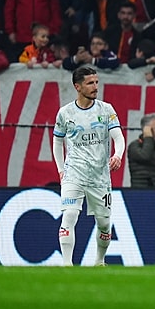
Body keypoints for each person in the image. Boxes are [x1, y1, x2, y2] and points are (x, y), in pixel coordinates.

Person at [52, 66, 125, 266]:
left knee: (104, 223)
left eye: (96, 82)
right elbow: (57, 141)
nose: (95, 87)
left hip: (99, 176)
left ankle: (99, 262)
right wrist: (61, 169)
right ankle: (67, 265)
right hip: (74, 173)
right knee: (69, 215)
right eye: (90, 83)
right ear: (78, 87)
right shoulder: (65, 113)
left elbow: (118, 137)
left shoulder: (106, 109)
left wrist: (117, 155)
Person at [127, 113, 155, 188]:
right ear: (146, 129)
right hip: (140, 192)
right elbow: (145, 156)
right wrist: (148, 137)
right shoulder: (134, 146)